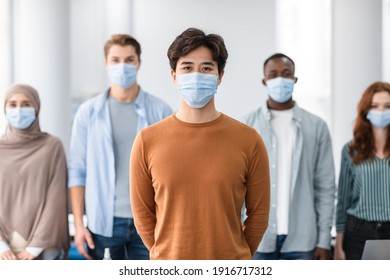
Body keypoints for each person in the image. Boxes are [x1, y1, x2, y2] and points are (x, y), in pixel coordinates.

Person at [130, 28, 270, 260]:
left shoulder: (249, 140)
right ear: (174, 76)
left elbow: (259, 214)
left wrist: (237, 256)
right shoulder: (147, 140)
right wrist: (167, 254)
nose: (196, 74)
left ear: (220, 76)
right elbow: (143, 215)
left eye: (206, 68)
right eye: (187, 67)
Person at [68, 34, 172, 260]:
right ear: (106, 63)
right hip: (103, 222)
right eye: (115, 60)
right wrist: (79, 224)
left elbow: (172, 172)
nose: (122, 66)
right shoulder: (88, 113)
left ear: (139, 63)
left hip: (149, 219)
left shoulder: (161, 111)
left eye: (129, 59)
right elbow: (77, 171)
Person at [241, 53, 335, 260]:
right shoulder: (246, 126)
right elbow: (237, 187)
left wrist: (323, 239)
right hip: (257, 239)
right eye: (273, 75)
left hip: (303, 239)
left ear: (294, 79)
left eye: (286, 74)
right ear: (264, 81)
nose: (280, 80)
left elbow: (325, 187)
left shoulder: (316, 127)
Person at [0, 84, 69, 260]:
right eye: (13, 104)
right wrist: (2, 247)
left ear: (36, 108)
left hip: (43, 248)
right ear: (5, 109)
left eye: (26, 104)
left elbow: (56, 199)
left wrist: (34, 248)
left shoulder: (52, 146)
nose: (19, 110)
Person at [335, 81, 390, 260]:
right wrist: (339, 246)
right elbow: (343, 200)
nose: (381, 111)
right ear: (366, 110)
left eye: (387, 106)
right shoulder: (351, 150)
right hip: (358, 231)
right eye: (375, 106)